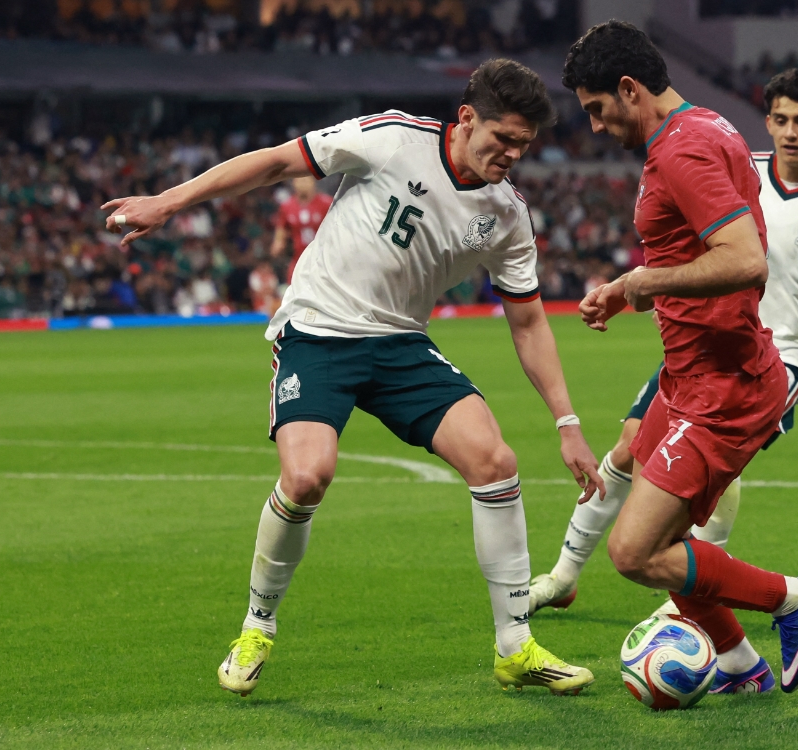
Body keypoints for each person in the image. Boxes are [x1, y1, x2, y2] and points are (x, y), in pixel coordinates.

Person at [101, 59, 603, 698]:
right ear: (466, 118)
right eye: (503, 138)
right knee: (307, 476)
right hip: (319, 329)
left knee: (496, 462)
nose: (512, 155)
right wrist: (168, 202)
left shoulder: (507, 213)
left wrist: (567, 423)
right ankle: (257, 627)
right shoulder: (393, 138)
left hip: (400, 343)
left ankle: (515, 648)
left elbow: (528, 324)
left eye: (523, 145)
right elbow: (277, 163)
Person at [531, 69, 798, 694]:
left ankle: (795, 598)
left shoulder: (686, 148)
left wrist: (644, 281)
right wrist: (627, 288)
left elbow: (745, 261)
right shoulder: (710, 129)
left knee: (636, 552)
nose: (594, 124)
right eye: (780, 119)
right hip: (689, 370)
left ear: (630, 89)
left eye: (596, 107)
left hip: (727, 382)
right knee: (646, 490)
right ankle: (737, 663)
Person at [271, 175, 333, 283]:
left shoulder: (326, 203)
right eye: (299, 180)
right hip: (298, 259)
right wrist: (278, 243)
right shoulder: (287, 206)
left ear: (313, 182)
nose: (303, 184)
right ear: (293, 183)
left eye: (306, 180)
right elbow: (281, 230)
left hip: (322, 259)